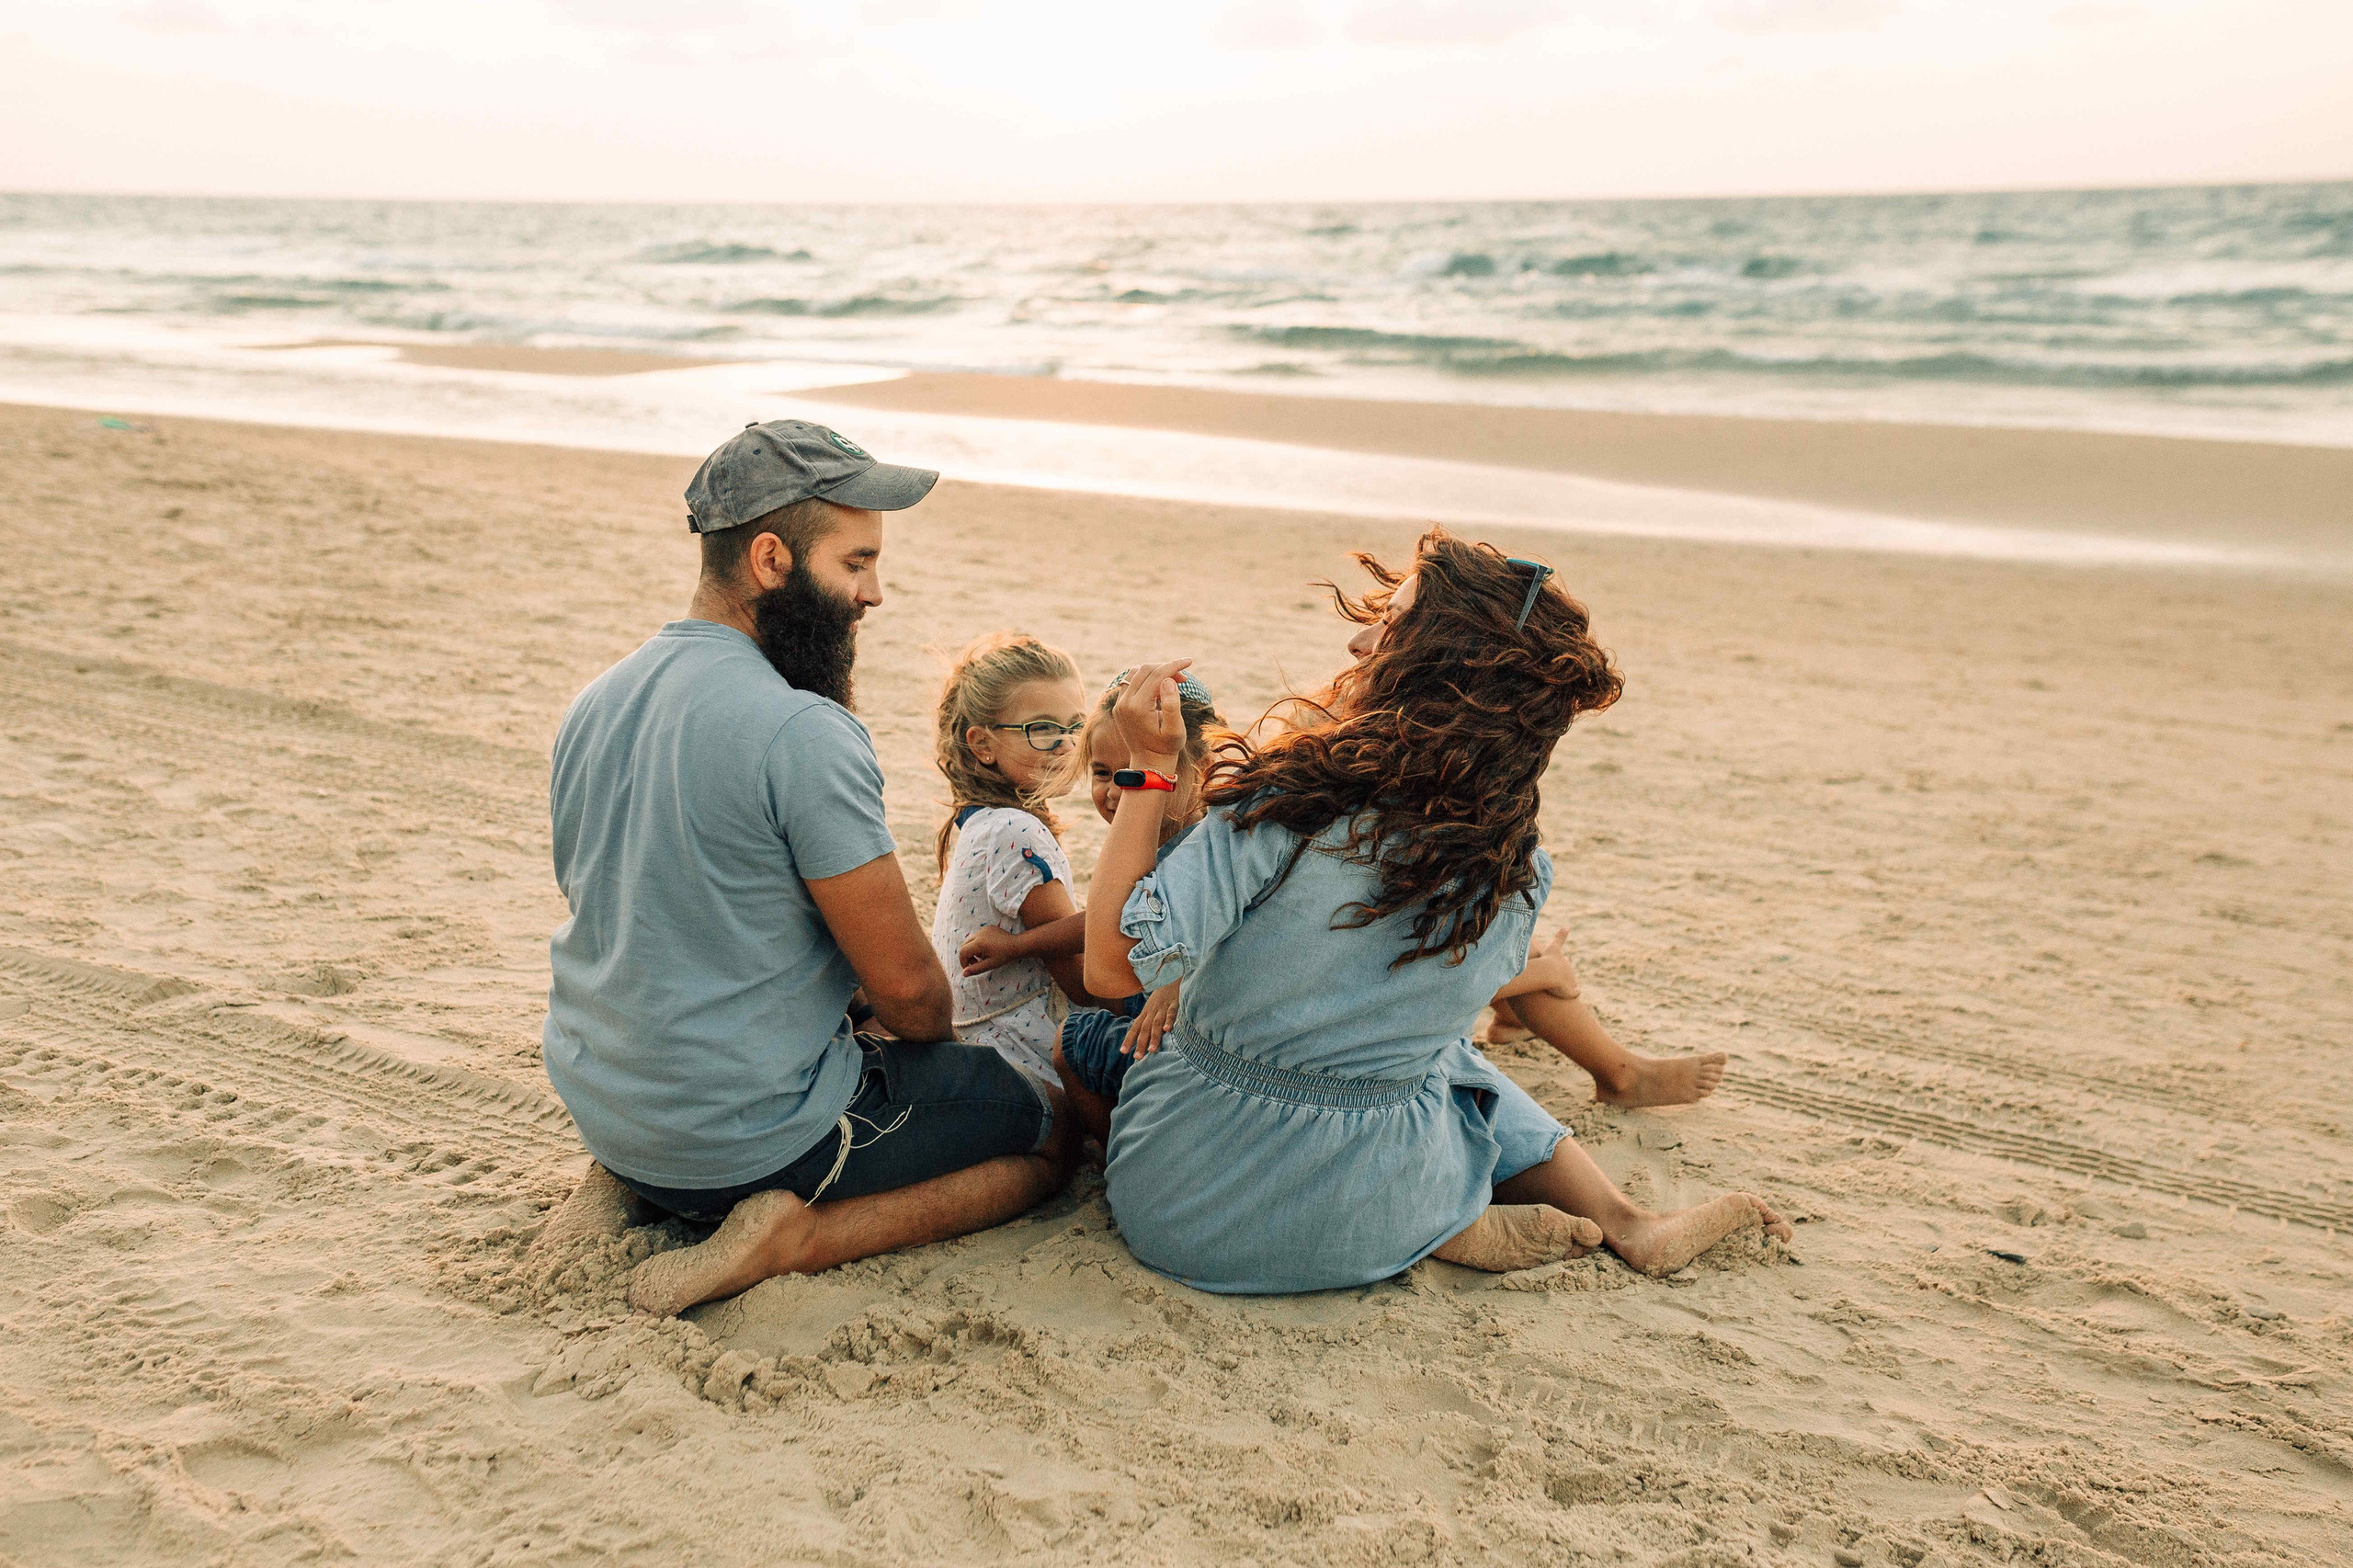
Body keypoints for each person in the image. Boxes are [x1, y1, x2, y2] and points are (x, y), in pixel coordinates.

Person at [1065, 529, 1790, 1293]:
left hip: (1187, 1214)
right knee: (1434, 1057)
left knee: (1127, 1039)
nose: (1357, 640)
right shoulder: (1518, 871)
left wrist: (1149, 772)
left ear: (1435, 668)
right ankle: (1609, 1221)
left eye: (1392, 624)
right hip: (1373, 1215)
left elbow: (1110, 968)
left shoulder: (1280, 806)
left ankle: (1479, 1222)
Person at [526, 419, 1071, 1315]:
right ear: (772, 557)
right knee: (1044, 1129)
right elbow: (913, 994)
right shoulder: (802, 730)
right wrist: (907, 1038)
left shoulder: (594, 700)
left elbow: (656, 915)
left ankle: (627, 1178)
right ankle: (793, 1235)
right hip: (739, 1138)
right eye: (855, 563)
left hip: (605, 1094)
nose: (875, 593)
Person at [927, 632, 1092, 1087]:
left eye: (1076, 726)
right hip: (1023, 1065)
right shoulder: (1016, 833)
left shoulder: (982, 822)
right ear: (982, 744)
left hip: (986, 1049)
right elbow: (1085, 983)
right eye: (1041, 729)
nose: (1064, 745)